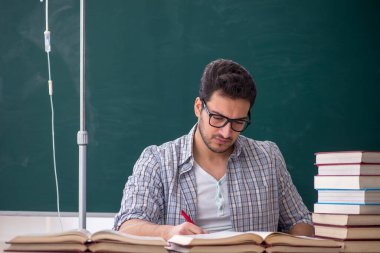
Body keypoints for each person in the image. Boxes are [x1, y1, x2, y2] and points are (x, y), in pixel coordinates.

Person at [113, 59, 314, 240]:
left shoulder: (268, 157)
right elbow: (127, 226)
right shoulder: (157, 161)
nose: (226, 132)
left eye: (238, 122)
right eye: (217, 118)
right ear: (198, 107)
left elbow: (301, 222)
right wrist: (168, 232)